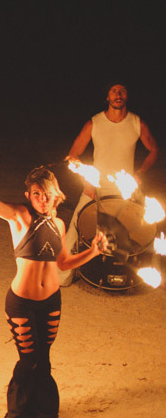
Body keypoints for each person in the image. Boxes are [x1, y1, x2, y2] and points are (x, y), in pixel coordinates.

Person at [0, 166, 107, 418]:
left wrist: (94, 251)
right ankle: (18, 412)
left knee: (44, 359)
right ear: (28, 195)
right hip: (21, 304)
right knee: (28, 361)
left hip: (51, 302)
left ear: (56, 195)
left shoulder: (60, 225)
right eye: (37, 194)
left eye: (47, 194)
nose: (42, 199)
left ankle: (45, 411)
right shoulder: (20, 216)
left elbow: (62, 263)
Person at [60, 82, 158, 285]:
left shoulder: (136, 123)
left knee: (142, 231)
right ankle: (63, 277)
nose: (118, 94)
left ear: (127, 96)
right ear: (107, 97)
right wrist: (87, 181)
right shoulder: (94, 123)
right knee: (75, 229)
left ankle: (135, 277)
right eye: (113, 91)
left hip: (125, 191)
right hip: (96, 188)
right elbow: (73, 155)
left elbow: (154, 150)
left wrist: (140, 172)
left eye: (122, 90)